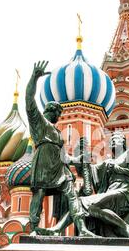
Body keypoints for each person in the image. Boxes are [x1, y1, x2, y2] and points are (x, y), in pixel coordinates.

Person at [25, 61, 94, 237]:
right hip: (43, 165)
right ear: (52, 110)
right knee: (39, 195)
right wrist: (34, 78)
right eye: (59, 112)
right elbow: (29, 99)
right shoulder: (39, 122)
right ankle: (34, 228)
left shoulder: (57, 132)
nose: (60, 116)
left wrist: (78, 159)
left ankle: (82, 228)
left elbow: (64, 156)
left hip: (59, 170)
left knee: (72, 195)